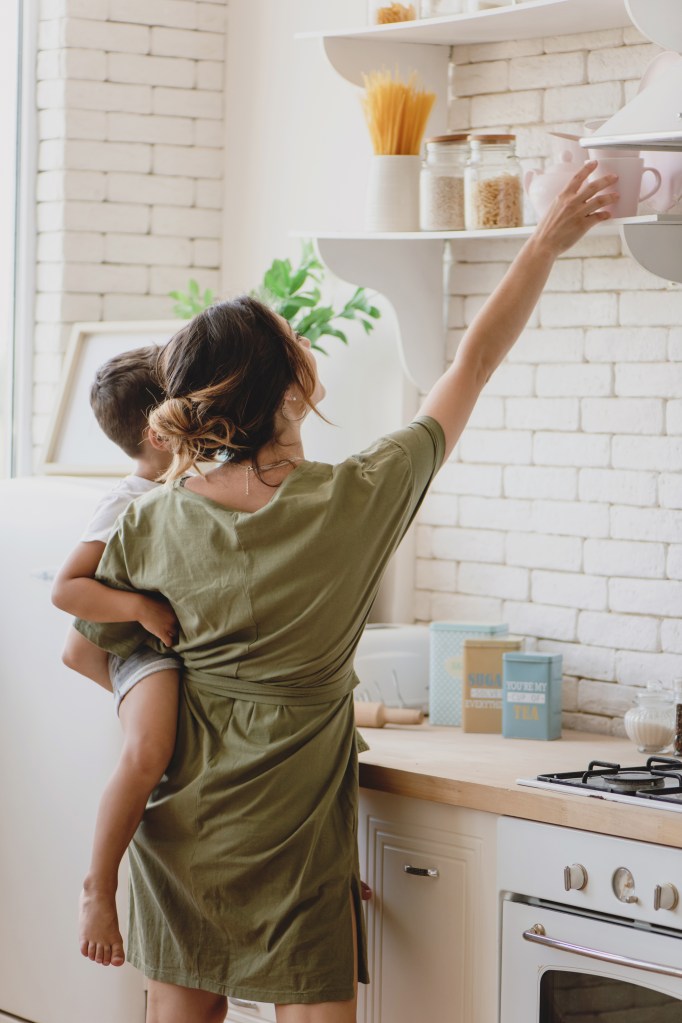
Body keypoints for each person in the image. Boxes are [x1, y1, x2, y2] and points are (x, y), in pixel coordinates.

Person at [69, 163, 618, 1023]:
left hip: (185, 834)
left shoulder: (150, 523)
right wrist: (544, 240)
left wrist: (191, 699)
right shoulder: (358, 497)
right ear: (291, 385)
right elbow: (473, 363)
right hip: (299, 850)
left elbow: (84, 648)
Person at [51, 346, 181, 969]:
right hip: (139, 648)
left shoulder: (178, 486)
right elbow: (66, 588)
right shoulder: (127, 501)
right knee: (149, 750)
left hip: (148, 651)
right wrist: (140, 611)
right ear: (160, 430)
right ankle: (98, 886)